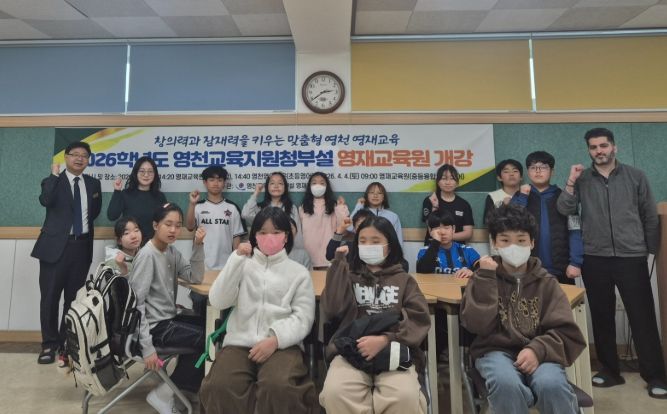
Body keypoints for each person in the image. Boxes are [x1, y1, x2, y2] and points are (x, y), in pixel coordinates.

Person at [557, 127, 667, 398]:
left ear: (614, 147)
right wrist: (570, 182)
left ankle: (655, 375)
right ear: (589, 150)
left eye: (603, 146)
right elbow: (565, 209)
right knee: (601, 315)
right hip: (595, 257)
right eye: (593, 147)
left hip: (631, 256)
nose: (599, 151)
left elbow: (649, 214)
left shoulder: (636, 176)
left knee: (642, 317)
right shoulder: (582, 180)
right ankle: (609, 370)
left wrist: (649, 250)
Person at [461, 204, 586, 414]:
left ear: (532, 242)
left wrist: (537, 349)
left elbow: (566, 332)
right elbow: (476, 325)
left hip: (542, 352)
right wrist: (486, 278)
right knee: (506, 384)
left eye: (521, 240)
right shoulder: (482, 278)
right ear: (494, 243)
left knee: (551, 384)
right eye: (505, 240)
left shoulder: (547, 283)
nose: (513, 247)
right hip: (494, 351)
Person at [200, 207, 317, 414]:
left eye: (276, 232)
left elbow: (303, 317)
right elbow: (218, 300)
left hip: (282, 345)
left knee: (279, 387)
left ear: (286, 236)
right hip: (239, 343)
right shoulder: (243, 265)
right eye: (262, 232)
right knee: (219, 385)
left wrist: (276, 339)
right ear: (254, 235)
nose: (269, 237)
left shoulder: (299, 273)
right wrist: (235, 260)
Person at [319, 215, 431, 414]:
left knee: (404, 396)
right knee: (336, 392)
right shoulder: (349, 275)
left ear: (390, 245)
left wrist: (386, 339)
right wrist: (338, 265)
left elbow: (419, 319)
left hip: (394, 350)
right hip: (351, 351)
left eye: (375, 241)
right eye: (362, 241)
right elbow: (332, 309)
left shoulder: (404, 280)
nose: (368, 246)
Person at [129, 203, 207, 413]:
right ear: (155, 225)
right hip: (156, 327)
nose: (173, 230)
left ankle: (185, 388)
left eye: (178, 225)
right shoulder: (147, 255)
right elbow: (136, 305)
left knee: (211, 328)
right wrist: (147, 349)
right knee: (208, 340)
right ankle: (164, 393)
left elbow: (195, 277)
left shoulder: (171, 251)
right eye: (168, 224)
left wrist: (198, 245)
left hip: (168, 319)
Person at [32, 141, 102, 365]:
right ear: (66, 157)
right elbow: (45, 200)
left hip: (81, 248)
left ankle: (65, 343)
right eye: (75, 154)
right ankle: (48, 344)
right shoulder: (52, 181)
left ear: (88, 160)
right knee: (50, 298)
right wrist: (53, 176)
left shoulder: (93, 184)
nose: (80, 158)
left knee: (73, 300)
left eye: (84, 155)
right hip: (55, 249)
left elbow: (94, 212)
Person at [510, 151, 583, 285]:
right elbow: (511, 224)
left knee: (563, 299)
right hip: (527, 267)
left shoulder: (564, 197)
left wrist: (575, 262)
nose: (538, 171)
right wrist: (523, 197)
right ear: (528, 172)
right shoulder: (520, 196)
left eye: (543, 167)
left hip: (561, 268)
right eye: (533, 167)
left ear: (552, 171)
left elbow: (575, 229)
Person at [416, 210, 480, 359]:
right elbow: (422, 270)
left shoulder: (466, 250)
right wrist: (435, 243)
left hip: (463, 305)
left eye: (446, 227)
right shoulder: (424, 251)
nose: (442, 232)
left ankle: (465, 357)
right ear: (430, 231)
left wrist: (471, 271)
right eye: (436, 228)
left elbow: (481, 267)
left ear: (453, 229)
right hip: (435, 304)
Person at [185, 165, 246, 270]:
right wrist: (192, 204)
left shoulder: (232, 208)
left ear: (224, 183)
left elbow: (236, 238)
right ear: (205, 182)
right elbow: (189, 227)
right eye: (211, 180)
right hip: (202, 264)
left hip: (226, 265)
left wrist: (235, 264)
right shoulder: (197, 206)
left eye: (219, 180)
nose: (216, 183)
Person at [107, 156, 167, 241]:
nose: (146, 175)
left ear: (155, 174)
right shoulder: (126, 194)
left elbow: (163, 222)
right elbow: (112, 216)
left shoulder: (160, 197)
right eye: (142, 171)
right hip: (130, 244)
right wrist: (117, 191)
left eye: (150, 171)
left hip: (152, 245)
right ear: (136, 173)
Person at [299, 172, 349, 269]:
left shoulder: (334, 206)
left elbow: (343, 227)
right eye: (314, 183)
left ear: (327, 187)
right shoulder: (303, 208)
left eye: (322, 183)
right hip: (308, 256)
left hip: (329, 255)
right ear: (309, 187)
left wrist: (341, 207)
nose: (318, 186)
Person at [242, 171, 303, 247]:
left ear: (285, 187)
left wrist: (296, 249)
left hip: (286, 249)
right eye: (272, 183)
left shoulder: (291, 207)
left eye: (280, 183)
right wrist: (256, 192)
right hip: (264, 248)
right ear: (267, 187)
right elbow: (245, 214)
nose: (276, 186)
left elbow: (297, 232)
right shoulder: (261, 208)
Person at [421, 164, 474, 244]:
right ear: (438, 182)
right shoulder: (430, 200)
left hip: (457, 248)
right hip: (434, 247)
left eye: (452, 179)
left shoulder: (464, 204)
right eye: (443, 178)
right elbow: (431, 230)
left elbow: (468, 233)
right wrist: (435, 206)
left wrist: (448, 237)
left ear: (457, 183)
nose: (448, 182)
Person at [483, 159, 523, 224]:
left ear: (521, 177)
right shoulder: (493, 196)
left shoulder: (527, 194)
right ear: (499, 178)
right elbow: (488, 222)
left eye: (515, 171)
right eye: (506, 172)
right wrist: (503, 207)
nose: (511, 174)